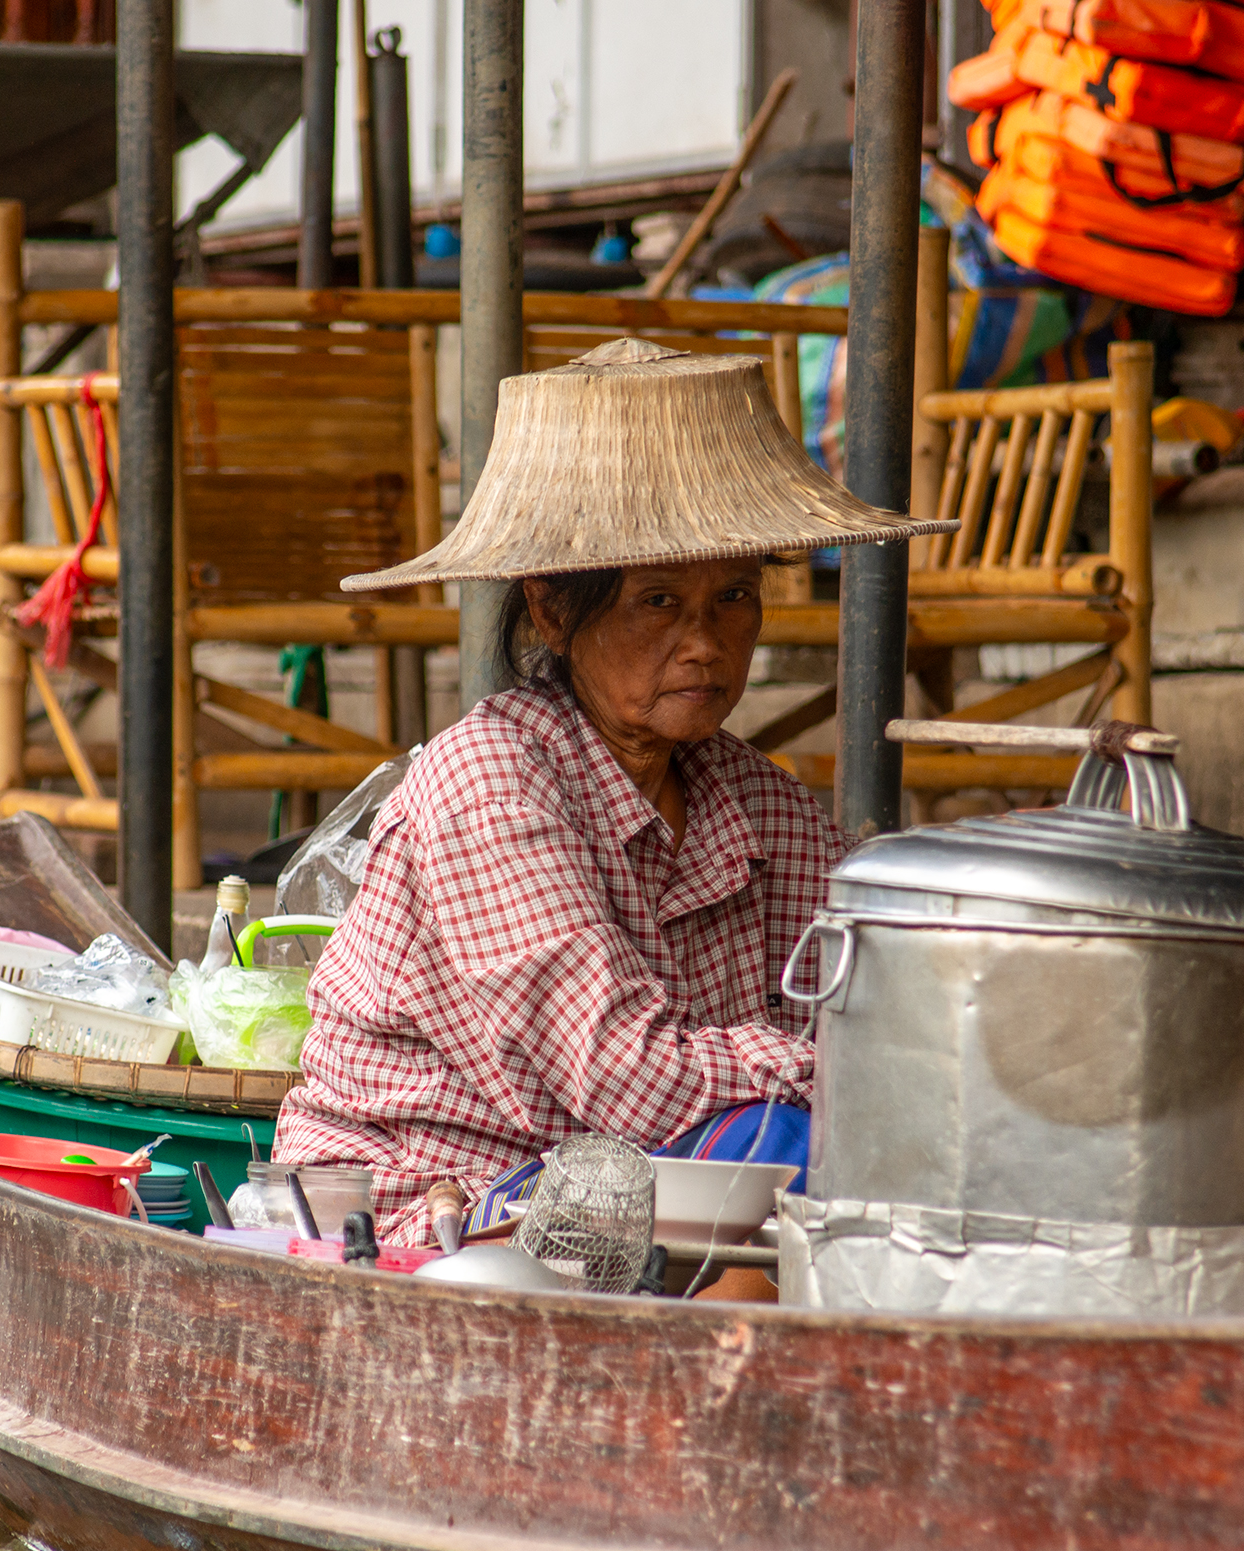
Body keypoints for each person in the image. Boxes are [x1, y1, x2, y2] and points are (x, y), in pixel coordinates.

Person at [269, 337, 955, 1251]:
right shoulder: (491, 783)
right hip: (429, 1202)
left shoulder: (758, 801)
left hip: (625, 1185)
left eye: (734, 596)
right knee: (792, 1145)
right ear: (553, 609)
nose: (706, 643)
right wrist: (830, 1073)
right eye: (659, 601)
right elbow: (625, 1081)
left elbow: (874, 1009)